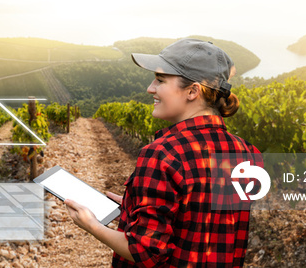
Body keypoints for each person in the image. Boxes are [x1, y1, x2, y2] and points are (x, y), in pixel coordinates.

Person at [64, 38, 262, 267]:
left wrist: (92, 225)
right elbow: (203, 224)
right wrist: (134, 208)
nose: (150, 88)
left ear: (192, 91)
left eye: (160, 80)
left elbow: (146, 252)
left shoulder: (162, 154)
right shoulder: (248, 153)